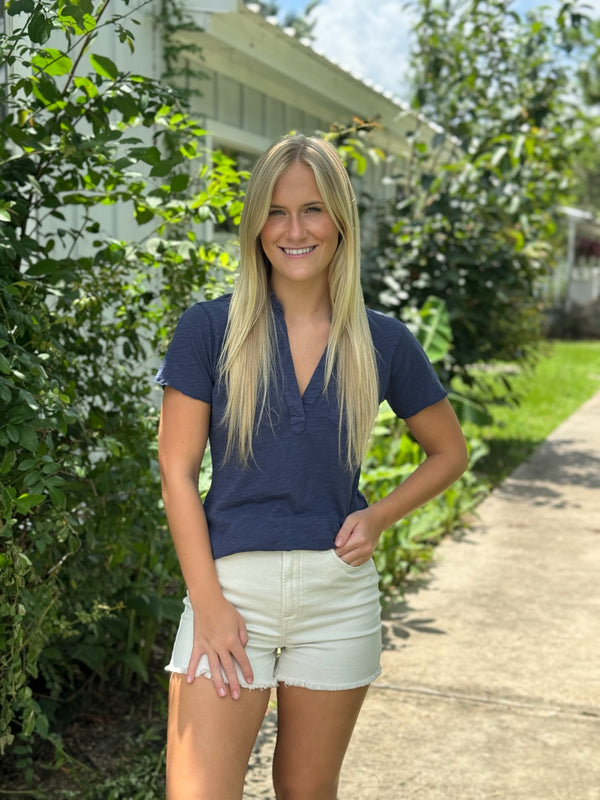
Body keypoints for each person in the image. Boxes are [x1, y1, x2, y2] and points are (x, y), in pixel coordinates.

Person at [155, 133, 468, 800]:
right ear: (255, 224)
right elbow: (176, 473)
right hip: (230, 591)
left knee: (307, 790)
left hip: (336, 597)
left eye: (312, 210)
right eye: (275, 211)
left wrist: (378, 516)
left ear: (340, 221)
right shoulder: (209, 330)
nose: (293, 231)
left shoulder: (383, 340)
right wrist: (208, 604)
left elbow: (450, 451)